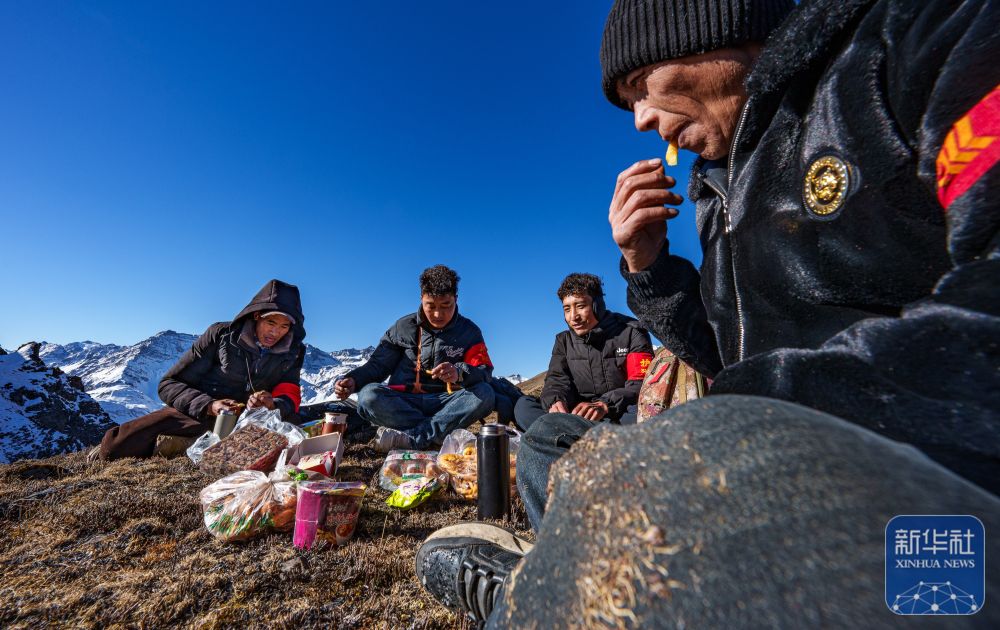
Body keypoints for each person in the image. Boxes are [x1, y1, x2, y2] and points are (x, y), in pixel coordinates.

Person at [414, 0, 1000, 626]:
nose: (641, 119)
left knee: (685, 451)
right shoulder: (717, 187)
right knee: (548, 443)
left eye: (640, 86)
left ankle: (536, 599)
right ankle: (585, 582)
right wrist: (647, 265)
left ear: (709, 33)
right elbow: (722, 354)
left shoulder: (912, 41)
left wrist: (754, 413)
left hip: (910, 460)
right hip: (751, 444)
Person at [96, 279, 306, 460]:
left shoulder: (293, 350)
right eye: (271, 322)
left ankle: (194, 446)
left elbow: (290, 392)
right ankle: (206, 445)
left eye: (284, 326)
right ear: (257, 315)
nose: (276, 332)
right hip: (201, 414)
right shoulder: (221, 335)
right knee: (117, 446)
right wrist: (209, 405)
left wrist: (272, 404)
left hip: (252, 419)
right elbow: (169, 384)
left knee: (298, 431)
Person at [334, 265, 495, 452]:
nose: (438, 314)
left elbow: (484, 372)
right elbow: (378, 366)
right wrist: (354, 380)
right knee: (368, 396)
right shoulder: (403, 327)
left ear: (456, 299)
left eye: (446, 305)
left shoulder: (470, 332)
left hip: (447, 403)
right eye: (431, 306)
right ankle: (436, 434)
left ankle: (412, 439)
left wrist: (459, 373)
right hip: (404, 402)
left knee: (484, 394)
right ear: (421, 298)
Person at [514, 272, 652, 432]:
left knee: (644, 415)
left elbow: (640, 384)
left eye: (580, 306)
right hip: (578, 415)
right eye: (567, 309)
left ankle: (562, 435)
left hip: (616, 412)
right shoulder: (563, 341)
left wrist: (605, 404)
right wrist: (556, 401)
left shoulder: (632, 332)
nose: (573, 317)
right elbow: (557, 380)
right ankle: (584, 435)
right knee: (524, 406)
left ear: (597, 306)